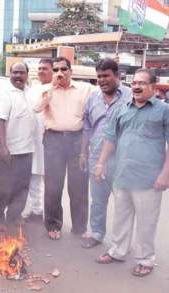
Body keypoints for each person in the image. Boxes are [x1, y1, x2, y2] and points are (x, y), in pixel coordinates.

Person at [95, 69, 169, 277]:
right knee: (120, 217)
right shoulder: (122, 109)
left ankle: (146, 259)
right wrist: (101, 163)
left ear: (154, 88)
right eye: (134, 82)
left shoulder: (164, 111)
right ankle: (118, 251)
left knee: (146, 222)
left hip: (149, 178)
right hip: (122, 174)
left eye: (142, 83)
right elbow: (110, 138)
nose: (136, 86)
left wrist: (166, 174)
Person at [34, 56, 93, 240]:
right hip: (54, 140)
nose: (60, 73)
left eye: (63, 69)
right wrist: (51, 88)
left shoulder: (85, 89)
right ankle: (53, 225)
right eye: (57, 69)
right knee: (53, 185)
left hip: (78, 140)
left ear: (70, 71)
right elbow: (36, 108)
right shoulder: (45, 90)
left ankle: (80, 227)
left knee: (79, 185)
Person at [80, 58, 131, 249]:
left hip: (123, 158)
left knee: (123, 203)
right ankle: (97, 233)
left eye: (106, 76)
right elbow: (87, 127)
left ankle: (121, 242)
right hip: (96, 157)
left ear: (117, 76)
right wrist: (83, 154)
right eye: (99, 76)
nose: (102, 80)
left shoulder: (130, 96)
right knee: (98, 200)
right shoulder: (93, 98)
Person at [0, 62, 36, 231]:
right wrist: (3, 147)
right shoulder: (5, 93)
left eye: (21, 73)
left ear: (27, 74)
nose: (18, 76)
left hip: (27, 150)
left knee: (22, 187)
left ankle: (14, 216)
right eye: (15, 72)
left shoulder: (31, 93)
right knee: (2, 187)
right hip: (7, 150)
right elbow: (0, 120)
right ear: (10, 73)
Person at [23, 58, 53, 223]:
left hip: (48, 141)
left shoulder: (55, 89)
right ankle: (35, 209)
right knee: (31, 177)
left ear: (53, 71)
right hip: (30, 140)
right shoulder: (32, 89)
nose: (41, 71)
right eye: (39, 68)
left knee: (47, 180)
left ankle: (46, 212)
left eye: (45, 68)